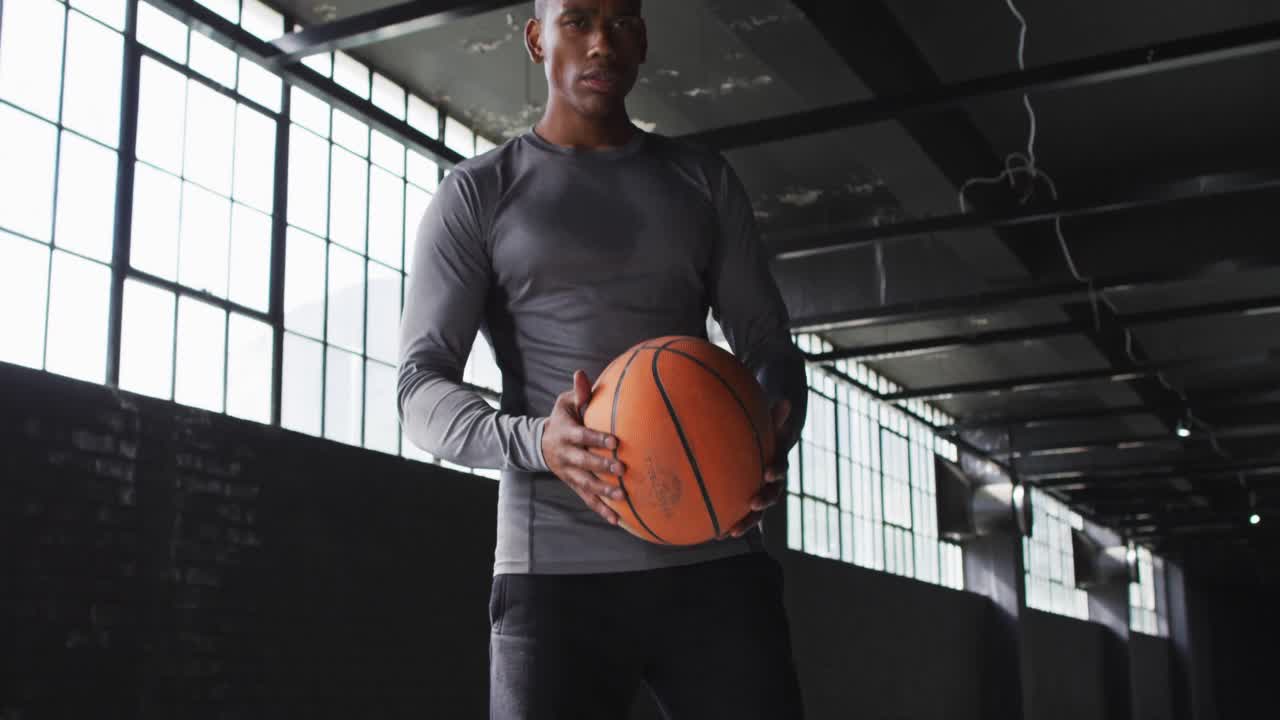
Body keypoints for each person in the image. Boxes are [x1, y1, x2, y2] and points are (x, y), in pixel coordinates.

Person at [397, 0, 809, 716]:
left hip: (713, 558)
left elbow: (769, 344)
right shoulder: (479, 194)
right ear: (536, 38)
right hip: (555, 573)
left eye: (620, 23)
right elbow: (418, 388)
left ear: (643, 40)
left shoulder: (702, 180)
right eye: (577, 21)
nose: (600, 43)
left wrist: (774, 430)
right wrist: (537, 442)